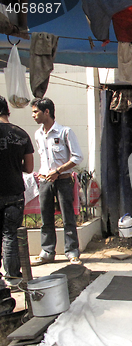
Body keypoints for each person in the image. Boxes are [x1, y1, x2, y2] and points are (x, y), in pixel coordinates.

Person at [30, 98, 84, 266]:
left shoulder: (64, 132)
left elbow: (77, 157)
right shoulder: (38, 134)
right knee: (46, 217)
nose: (33, 115)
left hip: (63, 180)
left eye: (36, 111)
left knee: (68, 216)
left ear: (47, 112)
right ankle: (47, 251)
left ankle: (72, 251)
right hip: (45, 181)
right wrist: (43, 174)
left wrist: (58, 171)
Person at [0, 95, 34, 286]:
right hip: (14, 192)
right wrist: (14, 166)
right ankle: (13, 277)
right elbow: (29, 168)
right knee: (10, 234)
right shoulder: (21, 134)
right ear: (8, 111)